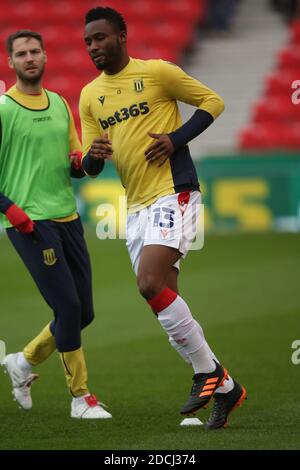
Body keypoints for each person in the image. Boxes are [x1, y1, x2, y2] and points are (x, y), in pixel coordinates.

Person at [79, 6, 247, 430]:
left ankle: (206, 374)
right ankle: (225, 386)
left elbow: (214, 102)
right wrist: (92, 158)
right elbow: (88, 162)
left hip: (175, 192)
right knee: (162, 304)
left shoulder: (156, 73)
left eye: (100, 38)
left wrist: (176, 138)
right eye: (87, 42)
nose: (93, 47)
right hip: (135, 206)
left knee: (149, 283)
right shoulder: (89, 96)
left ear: (121, 35)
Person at [0, 30, 112, 420]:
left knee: (83, 314)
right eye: (21, 53)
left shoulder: (61, 104)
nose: (29, 58)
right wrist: (11, 211)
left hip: (68, 218)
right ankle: (81, 398)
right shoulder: (4, 109)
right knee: (67, 306)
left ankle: (23, 361)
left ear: (45, 56)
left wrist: (93, 159)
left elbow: (75, 164)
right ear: (11, 62)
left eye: (35, 51)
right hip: (30, 223)